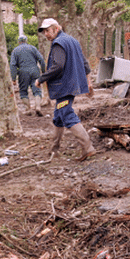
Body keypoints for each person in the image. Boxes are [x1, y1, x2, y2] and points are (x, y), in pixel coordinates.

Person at [36, 18, 97, 161]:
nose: (46, 34)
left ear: (56, 29)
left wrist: (41, 79)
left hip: (63, 87)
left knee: (67, 115)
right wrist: (89, 82)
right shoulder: (73, 41)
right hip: (71, 85)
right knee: (58, 117)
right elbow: (85, 63)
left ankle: (88, 148)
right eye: (44, 31)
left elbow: (58, 66)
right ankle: (54, 150)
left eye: (48, 31)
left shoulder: (58, 43)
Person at [10, 35, 46, 116]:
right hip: (35, 70)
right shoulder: (33, 48)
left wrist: (13, 78)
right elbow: (41, 60)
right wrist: (43, 71)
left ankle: (29, 109)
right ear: (26, 40)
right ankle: (38, 107)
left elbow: (13, 65)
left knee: (23, 92)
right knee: (37, 90)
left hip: (23, 72)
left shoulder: (15, 50)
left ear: (19, 42)